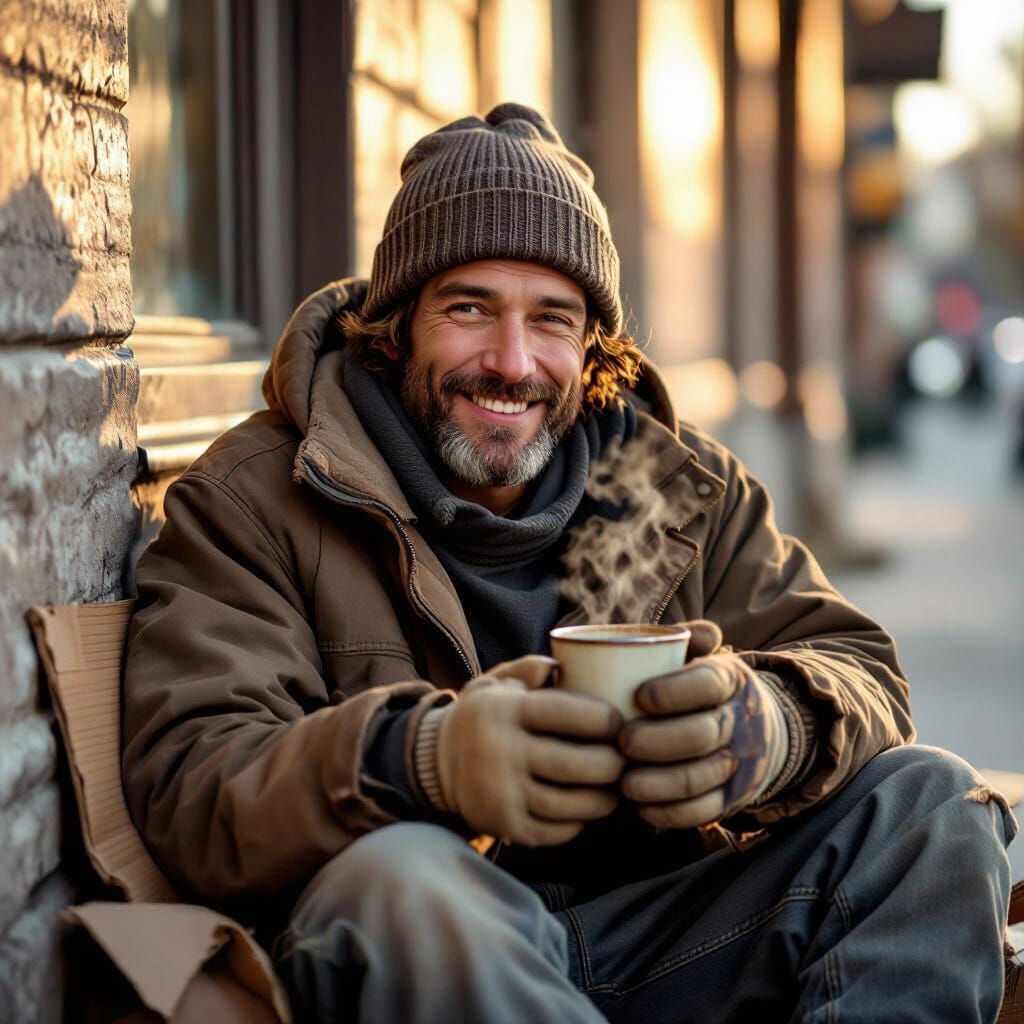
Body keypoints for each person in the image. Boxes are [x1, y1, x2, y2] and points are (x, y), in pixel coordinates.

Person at [122, 103, 1016, 1023]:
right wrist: (425, 759)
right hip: (430, 944)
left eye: (552, 318)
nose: (512, 362)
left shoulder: (675, 488)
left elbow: (862, 669)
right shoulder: (259, 495)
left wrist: (770, 727)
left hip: (662, 931)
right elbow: (196, 778)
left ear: (592, 345)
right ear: (394, 326)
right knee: (404, 878)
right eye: (469, 308)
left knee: (934, 805)